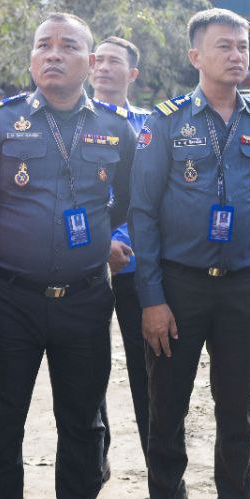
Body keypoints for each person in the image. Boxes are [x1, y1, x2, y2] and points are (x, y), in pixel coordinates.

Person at [0, 13, 137, 499]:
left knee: (84, 424)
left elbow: (128, 201)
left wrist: (98, 235)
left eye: (67, 46)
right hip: (7, 300)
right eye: (43, 45)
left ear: (90, 62)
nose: (53, 54)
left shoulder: (117, 127)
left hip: (85, 300)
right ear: (31, 58)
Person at [130, 9, 250, 499]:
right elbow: (142, 212)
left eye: (242, 46)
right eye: (224, 46)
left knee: (236, 411)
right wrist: (152, 299)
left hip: (241, 285)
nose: (236, 55)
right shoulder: (166, 121)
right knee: (167, 408)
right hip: (179, 286)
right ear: (195, 56)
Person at [88, 36, 152, 459]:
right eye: (100, 60)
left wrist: (120, 243)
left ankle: (159, 466)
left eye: (116, 62)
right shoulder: (72, 121)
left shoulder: (149, 125)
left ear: (132, 73)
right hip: (85, 267)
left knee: (146, 368)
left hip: (134, 265)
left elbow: (153, 196)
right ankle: (96, 459)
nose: (105, 67)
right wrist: (100, 245)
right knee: (89, 368)